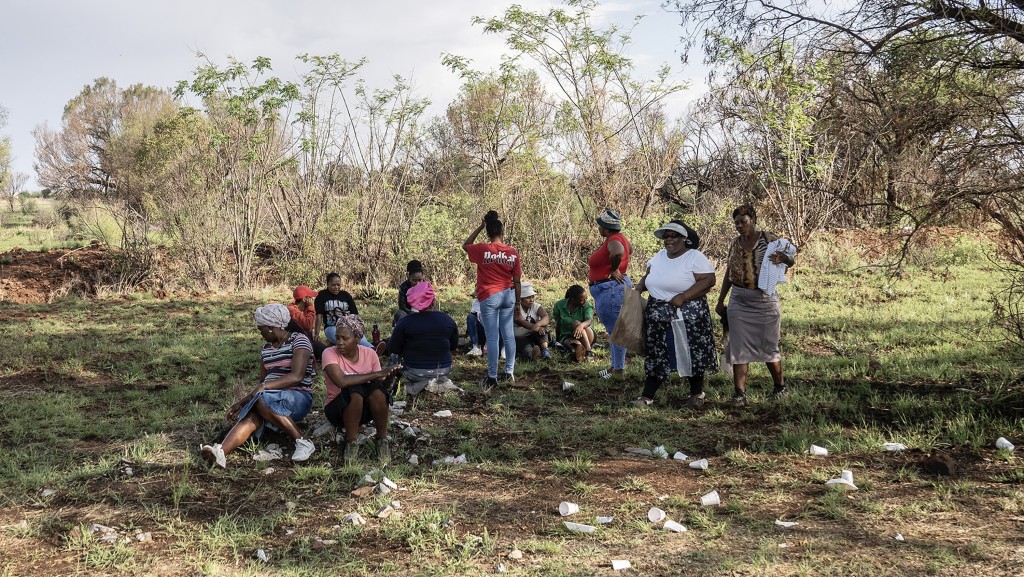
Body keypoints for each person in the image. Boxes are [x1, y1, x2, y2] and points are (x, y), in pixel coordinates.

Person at [200, 304, 316, 468]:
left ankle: (303, 441)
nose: (260, 333)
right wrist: (245, 402)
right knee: (252, 414)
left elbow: (297, 376)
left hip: (297, 397)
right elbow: (263, 381)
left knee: (260, 400)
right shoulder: (266, 349)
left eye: (261, 329)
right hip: (268, 399)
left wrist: (255, 394)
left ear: (270, 327)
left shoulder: (299, 340)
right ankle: (220, 452)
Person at [715, 204, 796, 407]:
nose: (740, 226)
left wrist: (783, 258)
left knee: (769, 345)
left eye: (743, 222)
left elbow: (791, 259)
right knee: (739, 347)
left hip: (764, 299)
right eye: (736, 223)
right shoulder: (735, 243)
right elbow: (729, 272)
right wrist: (720, 299)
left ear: (753, 220)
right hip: (739, 300)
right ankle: (739, 393)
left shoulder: (770, 239)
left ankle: (780, 387)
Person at [634, 220, 719, 408]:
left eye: (674, 236)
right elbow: (649, 274)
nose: (669, 240)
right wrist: (639, 287)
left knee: (689, 352)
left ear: (684, 239)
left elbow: (709, 280)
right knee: (657, 352)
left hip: (687, 314)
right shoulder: (659, 256)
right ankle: (647, 396)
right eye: (666, 236)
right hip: (658, 313)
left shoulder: (694, 257)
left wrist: (683, 296)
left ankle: (697, 394)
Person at [321, 314, 403, 466]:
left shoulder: (370, 354)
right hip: (337, 410)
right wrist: (378, 373)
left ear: (358, 339)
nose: (339, 342)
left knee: (376, 391)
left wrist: (390, 377)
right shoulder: (329, 353)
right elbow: (341, 381)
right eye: (337, 337)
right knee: (354, 390)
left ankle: (382, 439)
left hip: (364, 412)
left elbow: (380, 389)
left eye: (345, 338)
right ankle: (351, 442)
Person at [463, 210, 522, 389]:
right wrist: (518, 303)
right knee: (508, 335)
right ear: (501, 232)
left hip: (489, 296)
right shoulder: (512, 252)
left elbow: (466, 245)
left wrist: (480, 226)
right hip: (508, 296)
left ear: (488, 232)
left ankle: (492, 376)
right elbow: (517, 281)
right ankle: (509, 372)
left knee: (493, 337)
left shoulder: (483, 249)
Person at [389, 281, 460, 403]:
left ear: (413, 302)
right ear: (433, 300)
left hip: (414, 371)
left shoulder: (404, 322)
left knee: (393, 357)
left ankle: (391, 385)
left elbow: (394, 348)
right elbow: (453, 346)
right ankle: (436, 381)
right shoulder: (448, 320)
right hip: (444, 369)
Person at [587, 209, 633, 378]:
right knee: (613, 329)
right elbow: (629, 250)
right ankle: (614, 367)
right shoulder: (618, 238)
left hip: (611, 288)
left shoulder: (613, 240)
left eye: (600, 226)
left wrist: (614, 269)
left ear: (606, 228)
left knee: (616, 330)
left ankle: (619, 369)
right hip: (610, 288)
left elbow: (619, 251)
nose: (598, 228)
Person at [551, 285, 596, 362]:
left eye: (586, 299)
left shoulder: (587, 305)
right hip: (569, 336)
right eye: (582, 300)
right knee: (575, 345)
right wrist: (557, 340)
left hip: (587, 334)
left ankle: (588, 351)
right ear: (572, 300)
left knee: (576, 323)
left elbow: (589, 321)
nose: (585, 301)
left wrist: (581, 326)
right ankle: (579, 354)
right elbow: (558, 324)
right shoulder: (559, 305)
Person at [313, 272, 359, 345]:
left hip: (348, 326)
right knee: (344, 340)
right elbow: (319, 316)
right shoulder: (322, 295)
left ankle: (372, 349)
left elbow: (355, 315)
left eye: (338, 285)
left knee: (360, 340)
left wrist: (357, 328)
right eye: (333, 285)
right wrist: (316, 334)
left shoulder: (346, 295)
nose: (336, 287)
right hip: (331, 327)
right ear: (328, 284)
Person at [287, 285, 328, 362]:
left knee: (326, 352)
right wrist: (311, 308)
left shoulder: (302, 308)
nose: (312, 299)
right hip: (295, 343)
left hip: (305, 339)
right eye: (310, 297)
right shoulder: (292, 310)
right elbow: (307, 325)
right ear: (305, 299)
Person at [513, 282, 551, 360]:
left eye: (532, 297)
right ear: (521, 299)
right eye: (528, 298)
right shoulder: (516, 308)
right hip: (521, 338)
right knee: (526, 349)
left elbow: (546, 317)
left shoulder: (535, 306)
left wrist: (538, 325)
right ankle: (533, 354)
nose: (531, 300)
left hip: (534, 335)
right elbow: (521, 321)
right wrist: (536, 327)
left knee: (543, 328)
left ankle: (545, 350)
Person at [393, 260, 425, 327]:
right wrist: (414, 314)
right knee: (399, 313)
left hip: (424, 314)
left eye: (420, 280)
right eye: (414, 280)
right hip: (409, 314)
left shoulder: (426, 286)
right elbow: (402, 307)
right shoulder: (404, 287)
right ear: (409, 277)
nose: (417, 283)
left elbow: (431, 305)